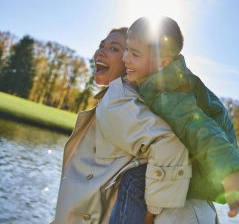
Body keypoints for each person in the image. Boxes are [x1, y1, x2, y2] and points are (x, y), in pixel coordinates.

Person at [121, 16, 239, 224]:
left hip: (190, 199)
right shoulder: (160, 77)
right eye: (126, 49)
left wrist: (233, 179)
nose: (125, 58)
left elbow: (202, 132)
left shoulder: (169, 92)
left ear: (163, 62)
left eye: (134, 54)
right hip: (183, 191)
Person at [53, 28, 217, 224]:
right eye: (101, 45)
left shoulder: (119, 100)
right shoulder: (140, 101)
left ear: (130, 61)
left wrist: (150, 214)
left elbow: (168, 145)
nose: (101, 52)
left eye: (114, 48)